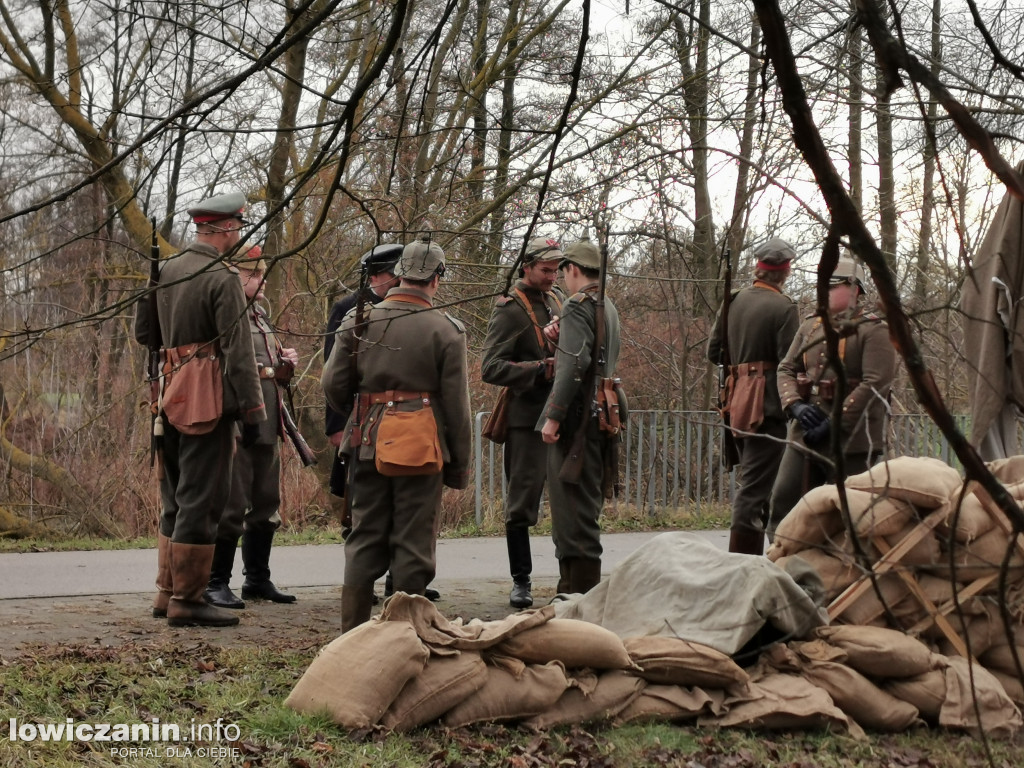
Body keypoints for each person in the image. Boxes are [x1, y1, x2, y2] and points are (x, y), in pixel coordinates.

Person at [322, 236, 471, 633]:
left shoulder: (360, 320)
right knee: (414, 545)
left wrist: (360, 412)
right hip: (422, 450)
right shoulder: (447, 331)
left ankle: (349, 641)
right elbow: (457, 409)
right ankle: (403, 641)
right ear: (437, 278)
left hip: (366, 443)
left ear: (401, 274)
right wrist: (458, 468)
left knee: (364, 538)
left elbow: (334, 386)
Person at [134, 191, 266, 627]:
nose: (238, 234)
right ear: (226, 227)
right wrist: (252, 412)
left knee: (174, 496)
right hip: (207, 397)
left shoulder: (167, 270)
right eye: (238, 227)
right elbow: (239, 351)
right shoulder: (222, 276)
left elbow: (144, 333)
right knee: (202, 499)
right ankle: (188, 600)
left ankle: (165, 592)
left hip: (167, 394)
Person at [767, 253, 897, 538]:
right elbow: (786, 368)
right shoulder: (810, 325)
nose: (823, 291)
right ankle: (784, 568)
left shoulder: (874, 329)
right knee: (784, 505)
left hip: (852, 440)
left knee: (847, 516)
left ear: (854, 288)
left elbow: (875, 382)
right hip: (806, 432)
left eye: (831, 285)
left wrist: (835, 422)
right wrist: (796, 406)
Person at [204, 245, 298, 609]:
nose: (261, 280)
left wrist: (283, 362)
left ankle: (257, 579)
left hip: (269, 419)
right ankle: (216, 582)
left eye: (262, 273)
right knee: (233, 502)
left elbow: (266, 367)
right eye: (252, 274)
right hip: (240, 419)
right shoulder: (227, 315)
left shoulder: (260, 315)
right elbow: (231, 368)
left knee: (266, 502)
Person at [481, 236, 564, 608]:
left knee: (568, 496)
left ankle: (569, 577)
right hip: (527, 417)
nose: (552, 275)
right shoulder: (509, 308)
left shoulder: (559, 300)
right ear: (526, 267)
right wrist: (540, 369)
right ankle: (521, 581)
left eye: (556, 269)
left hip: (564, 414)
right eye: (546, 269)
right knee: (521, 503)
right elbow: (491, 367)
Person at [538, 235, 620, 595]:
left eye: (562, 271)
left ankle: (579, 606)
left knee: (574, 518)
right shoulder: (606, 306)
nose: (561, 278)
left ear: (572, 269)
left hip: (578, 422)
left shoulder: (576, 304)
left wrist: (552, 416)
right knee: (579, 512)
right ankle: (568, 597)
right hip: (602, 414)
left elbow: (574, 364)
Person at [707, 238, 799, 555]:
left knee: (763, 487)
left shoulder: (733, 300)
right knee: (755, 492)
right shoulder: (785, 308)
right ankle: (742, 565)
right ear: (785, 271)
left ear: (757, 268)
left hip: (735, 403)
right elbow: (790, 362)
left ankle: (776, 556)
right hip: (768, 408)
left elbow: (713, 352)